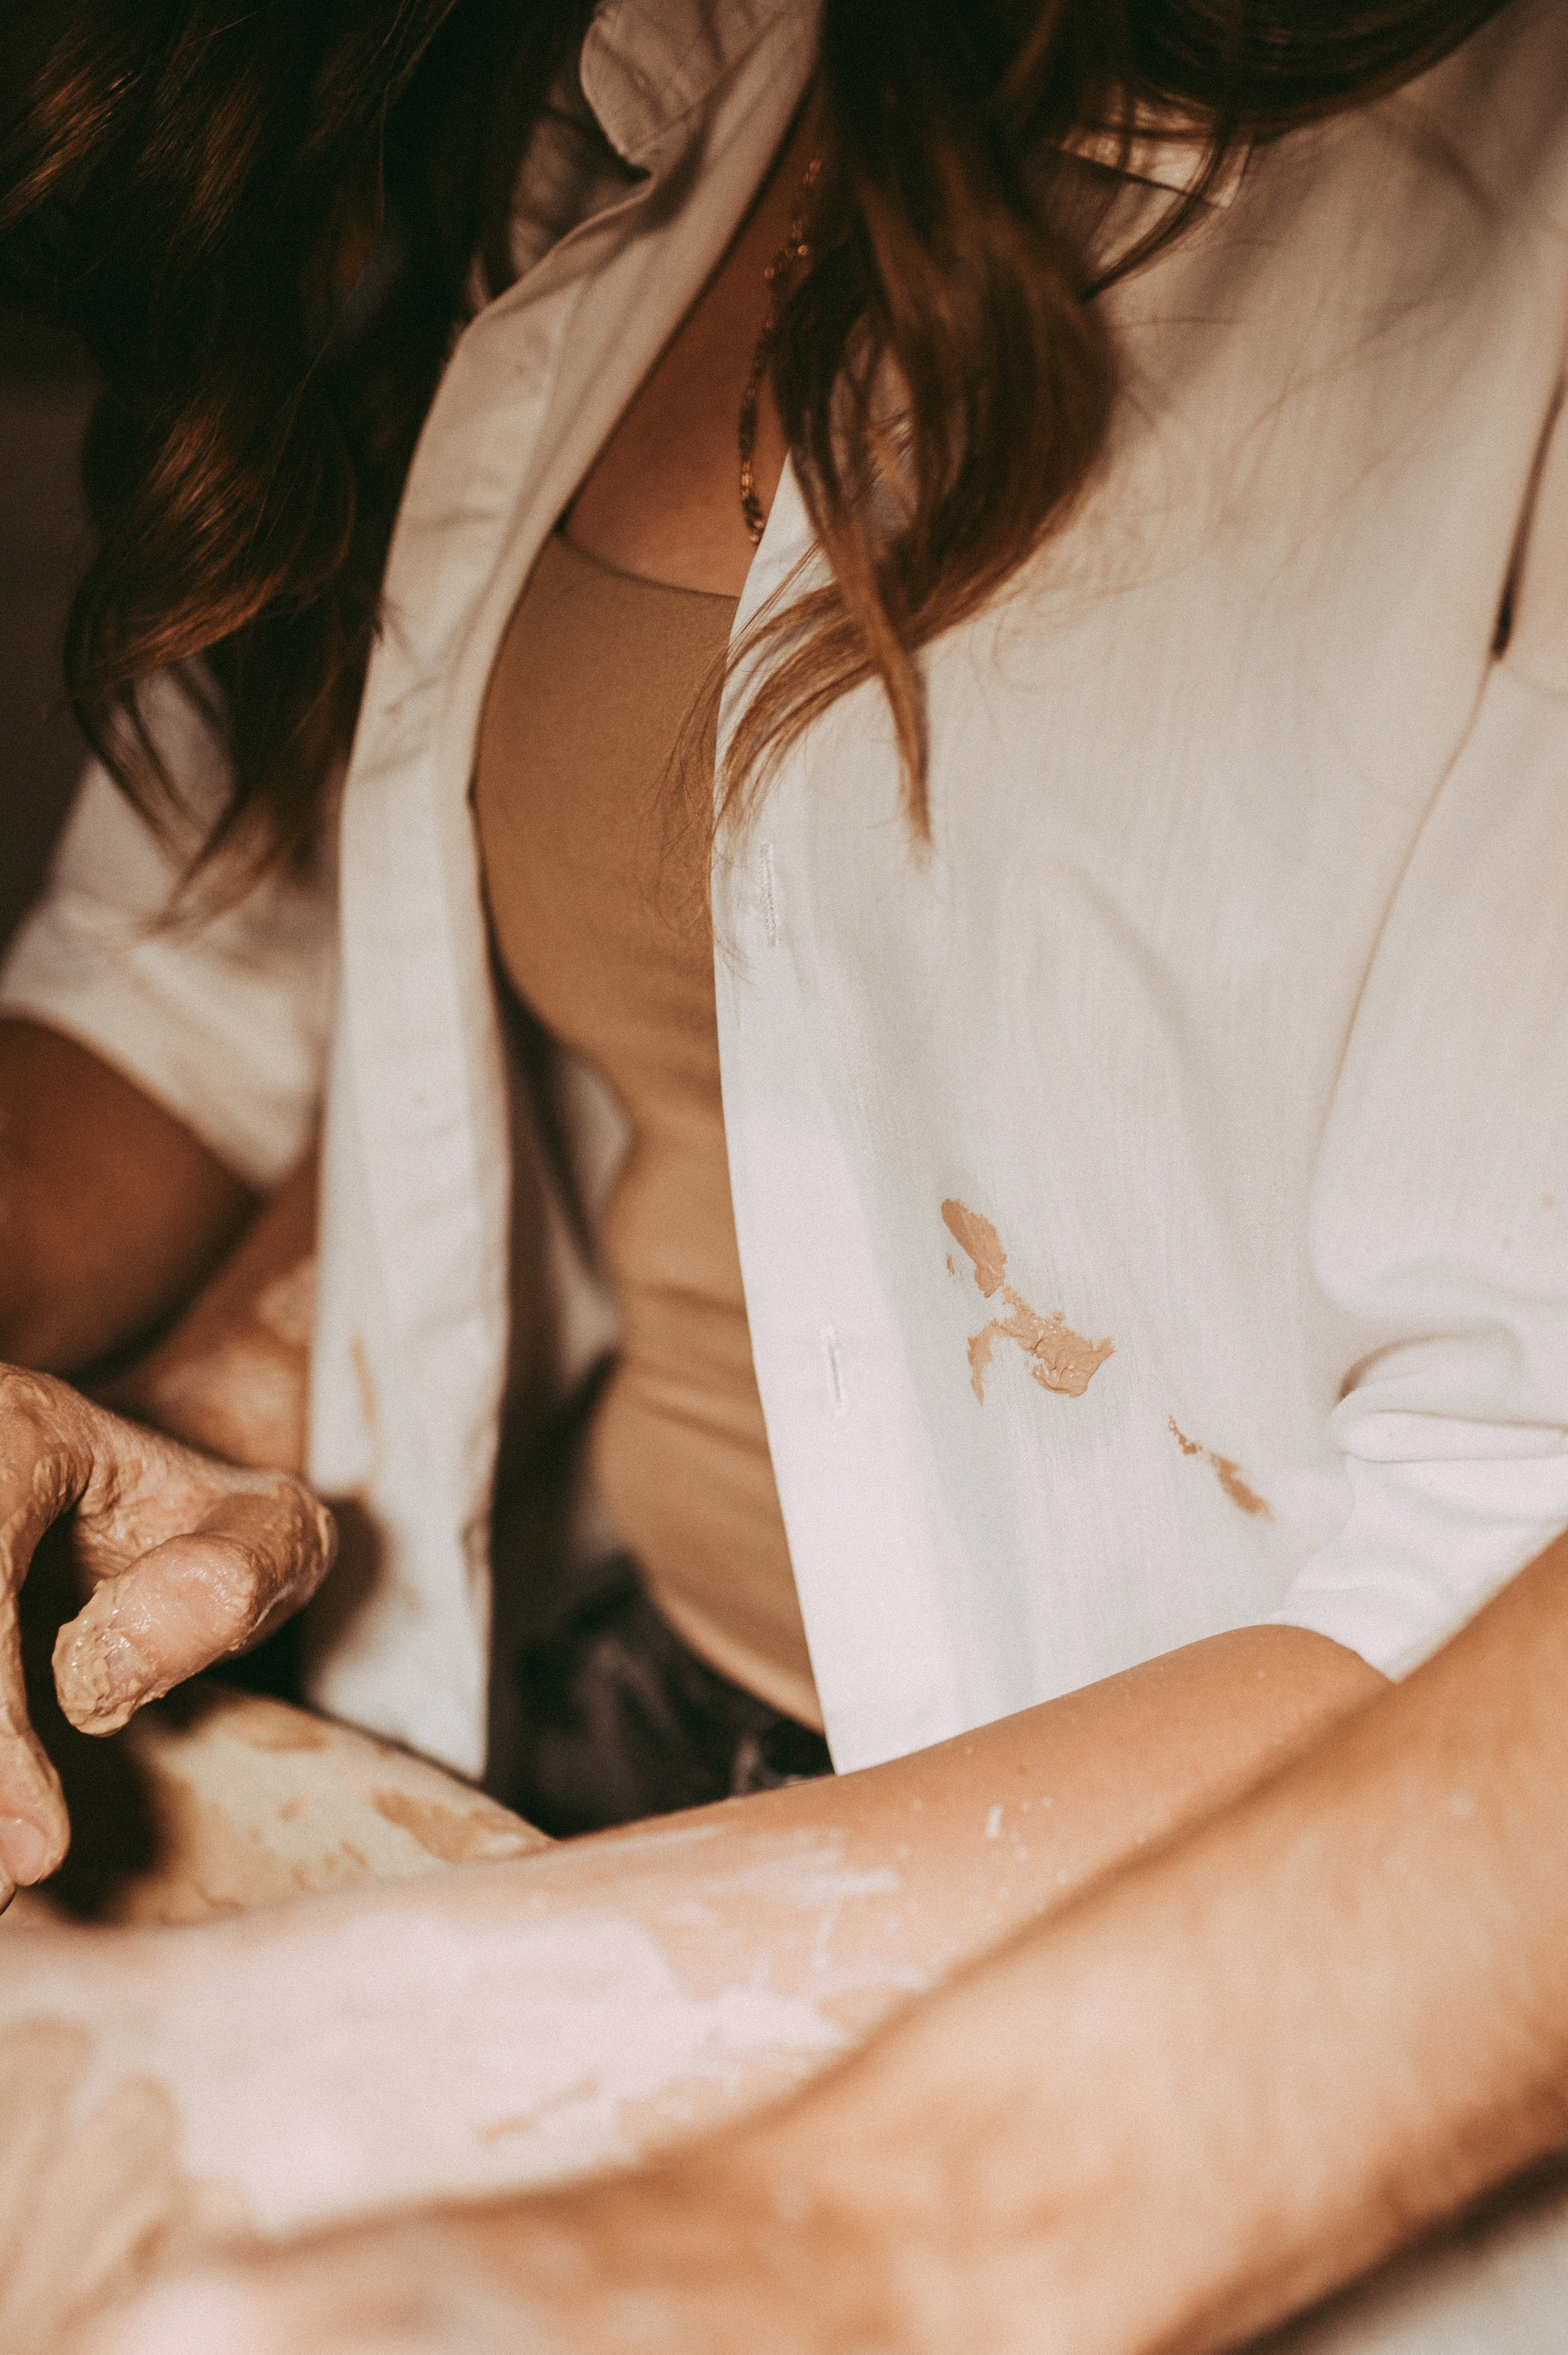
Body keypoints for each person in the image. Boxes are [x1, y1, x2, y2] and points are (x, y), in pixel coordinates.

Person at [2, 0, 1568, 2341]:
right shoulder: (657, 104)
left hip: (1242, 1984)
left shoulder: (1501, 171)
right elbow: (543, 1036)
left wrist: (359, 2054)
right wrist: (244, 1398)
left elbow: (1507, 1526)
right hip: (619, 1729)